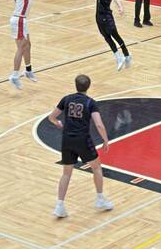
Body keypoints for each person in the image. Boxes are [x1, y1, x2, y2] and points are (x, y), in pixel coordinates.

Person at [48, 74, 114, 218]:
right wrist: (105, 140)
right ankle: (100, 199)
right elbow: (98, 124)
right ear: (88, 86)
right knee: (96, 167)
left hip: (67, 140)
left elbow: (52, 117)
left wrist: (57, 123)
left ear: (75, 85)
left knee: (66, 173)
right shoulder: (90, 102)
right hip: (83, 140)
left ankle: (59, 206)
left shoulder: (66, 99)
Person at [8, 0, 41, 89]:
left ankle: (28, 70)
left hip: (21, 20)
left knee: (28, 45)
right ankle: (14, 75)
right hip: (19, 20)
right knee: (21, 48)